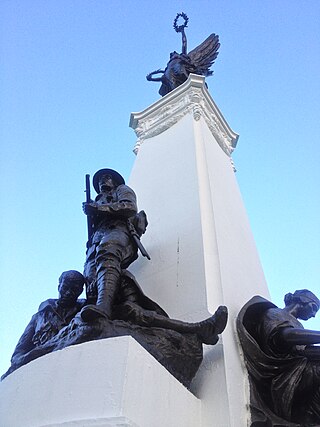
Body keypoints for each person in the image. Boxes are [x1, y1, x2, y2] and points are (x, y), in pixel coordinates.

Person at [237, 289, 320, 425]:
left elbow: (304, 352)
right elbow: (284, 336)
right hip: (281, 374)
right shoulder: (274, 313)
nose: (314, 315)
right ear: (302, 300)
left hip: (299, 368)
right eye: (314, 307)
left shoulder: (299, 325)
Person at [81, 168, 146, 322]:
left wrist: (98, 208)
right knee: (90, 276)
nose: (103, 180)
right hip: (96, 239)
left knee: (108, 252)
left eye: (107, 177)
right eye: (100, 179)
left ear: (114, 181)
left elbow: (129, 207)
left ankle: (104, 307)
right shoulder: (97, 199)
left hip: (117, 230)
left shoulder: (122, 190)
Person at [3, 270, 85, 378]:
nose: (68, 293)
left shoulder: (84, 311)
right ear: (59, 286)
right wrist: (29, 357)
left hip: (72, 368)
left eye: (74, 289)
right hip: (39, 371)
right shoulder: (39, 317)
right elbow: (18, 354)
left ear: (80, 291)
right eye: (65, 287)